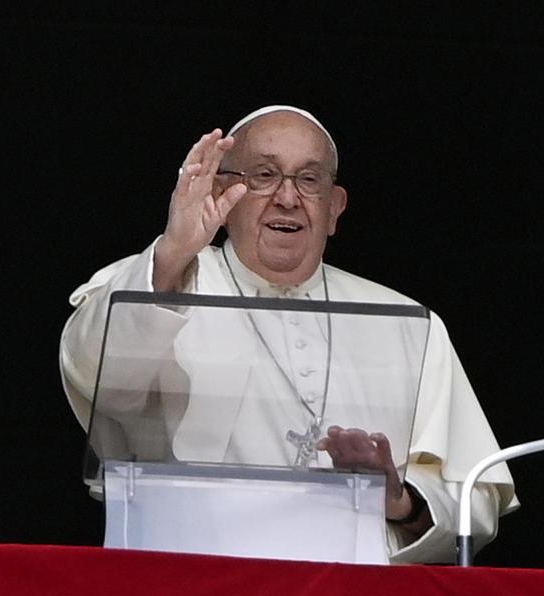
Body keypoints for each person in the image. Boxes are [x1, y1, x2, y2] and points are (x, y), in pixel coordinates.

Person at [60, 105, 516, 563]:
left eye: (309, 180)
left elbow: (474, 498)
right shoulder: (157, 283)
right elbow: (99, 378)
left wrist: (397, 499)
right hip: (197, 578)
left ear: (334, 208)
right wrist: (174, 252)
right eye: (264, 175)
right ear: (221, 193)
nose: (287, 197)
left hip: (352, 592)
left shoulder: (408, 324)